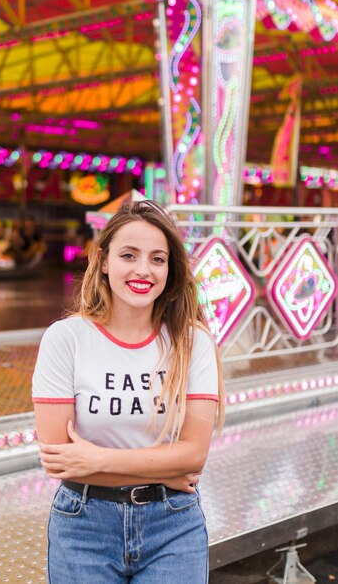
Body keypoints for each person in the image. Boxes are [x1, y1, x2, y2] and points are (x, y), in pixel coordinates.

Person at [32, 200, 224, 584]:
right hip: (83, 525)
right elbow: (60, 458)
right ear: (102, 261)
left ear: (170, 270)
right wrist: (165, 469)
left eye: (157, 259)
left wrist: (96, 460)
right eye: (128, 255)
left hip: (174, 524)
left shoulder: (193, 341)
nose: (143, 270)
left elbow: (194, 455)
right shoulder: (65, 339)